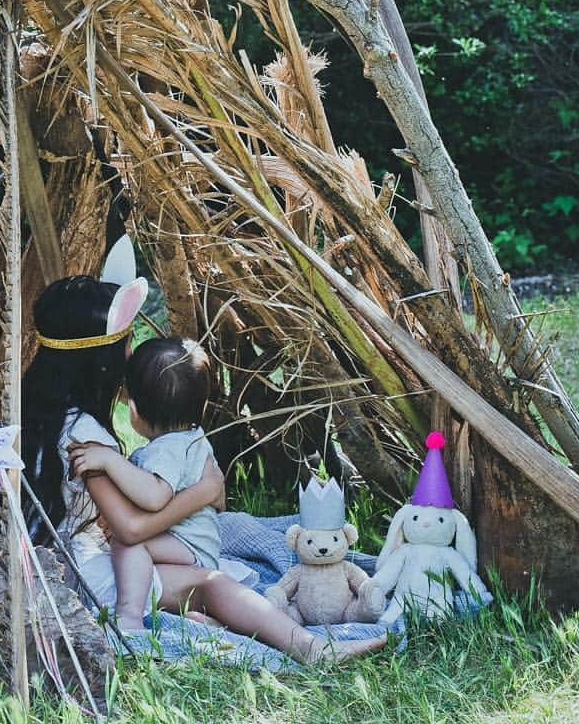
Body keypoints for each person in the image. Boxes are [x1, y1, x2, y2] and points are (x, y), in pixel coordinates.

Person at [23, 275, 386, 664]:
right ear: (99, 362)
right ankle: (310, 648)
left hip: (65, 558)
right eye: (126, 345)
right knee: (213, 583)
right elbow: (129, 531)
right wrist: (206, 491)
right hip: (78, 576)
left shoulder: (41, 410)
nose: (129, 359)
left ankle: (226, 623)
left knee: (209, 568)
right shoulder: (87, 439)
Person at [69, 337, 220, 631]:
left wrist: (110, 461)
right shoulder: (191, 438)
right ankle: (202, 620)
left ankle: (129, 616)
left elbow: (154, 497)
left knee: (127, 546)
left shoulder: (166, 450)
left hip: (187, 546)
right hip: (195, 546)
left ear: (134, 411)